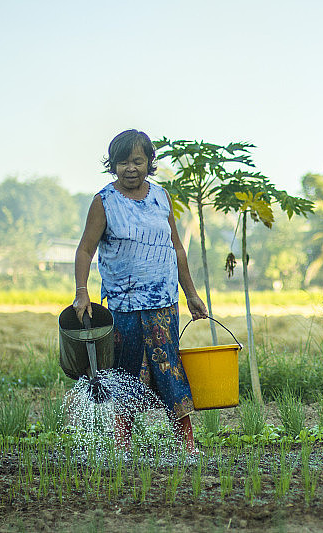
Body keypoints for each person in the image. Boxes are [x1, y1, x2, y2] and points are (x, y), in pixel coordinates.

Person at [72, 129, 208, 455]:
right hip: (124, 304)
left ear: (149, 162)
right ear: (113, 165)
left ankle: (186, 446)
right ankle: (123, 448)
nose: (130, 168)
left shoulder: (161, 196)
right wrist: (81, 292)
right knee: (127, 373)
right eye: (122, 162)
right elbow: (84, 251)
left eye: (137, 160)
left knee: (169, 369)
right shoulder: (104, 201)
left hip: (163, 302)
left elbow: (176, 248)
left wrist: (190, 294)